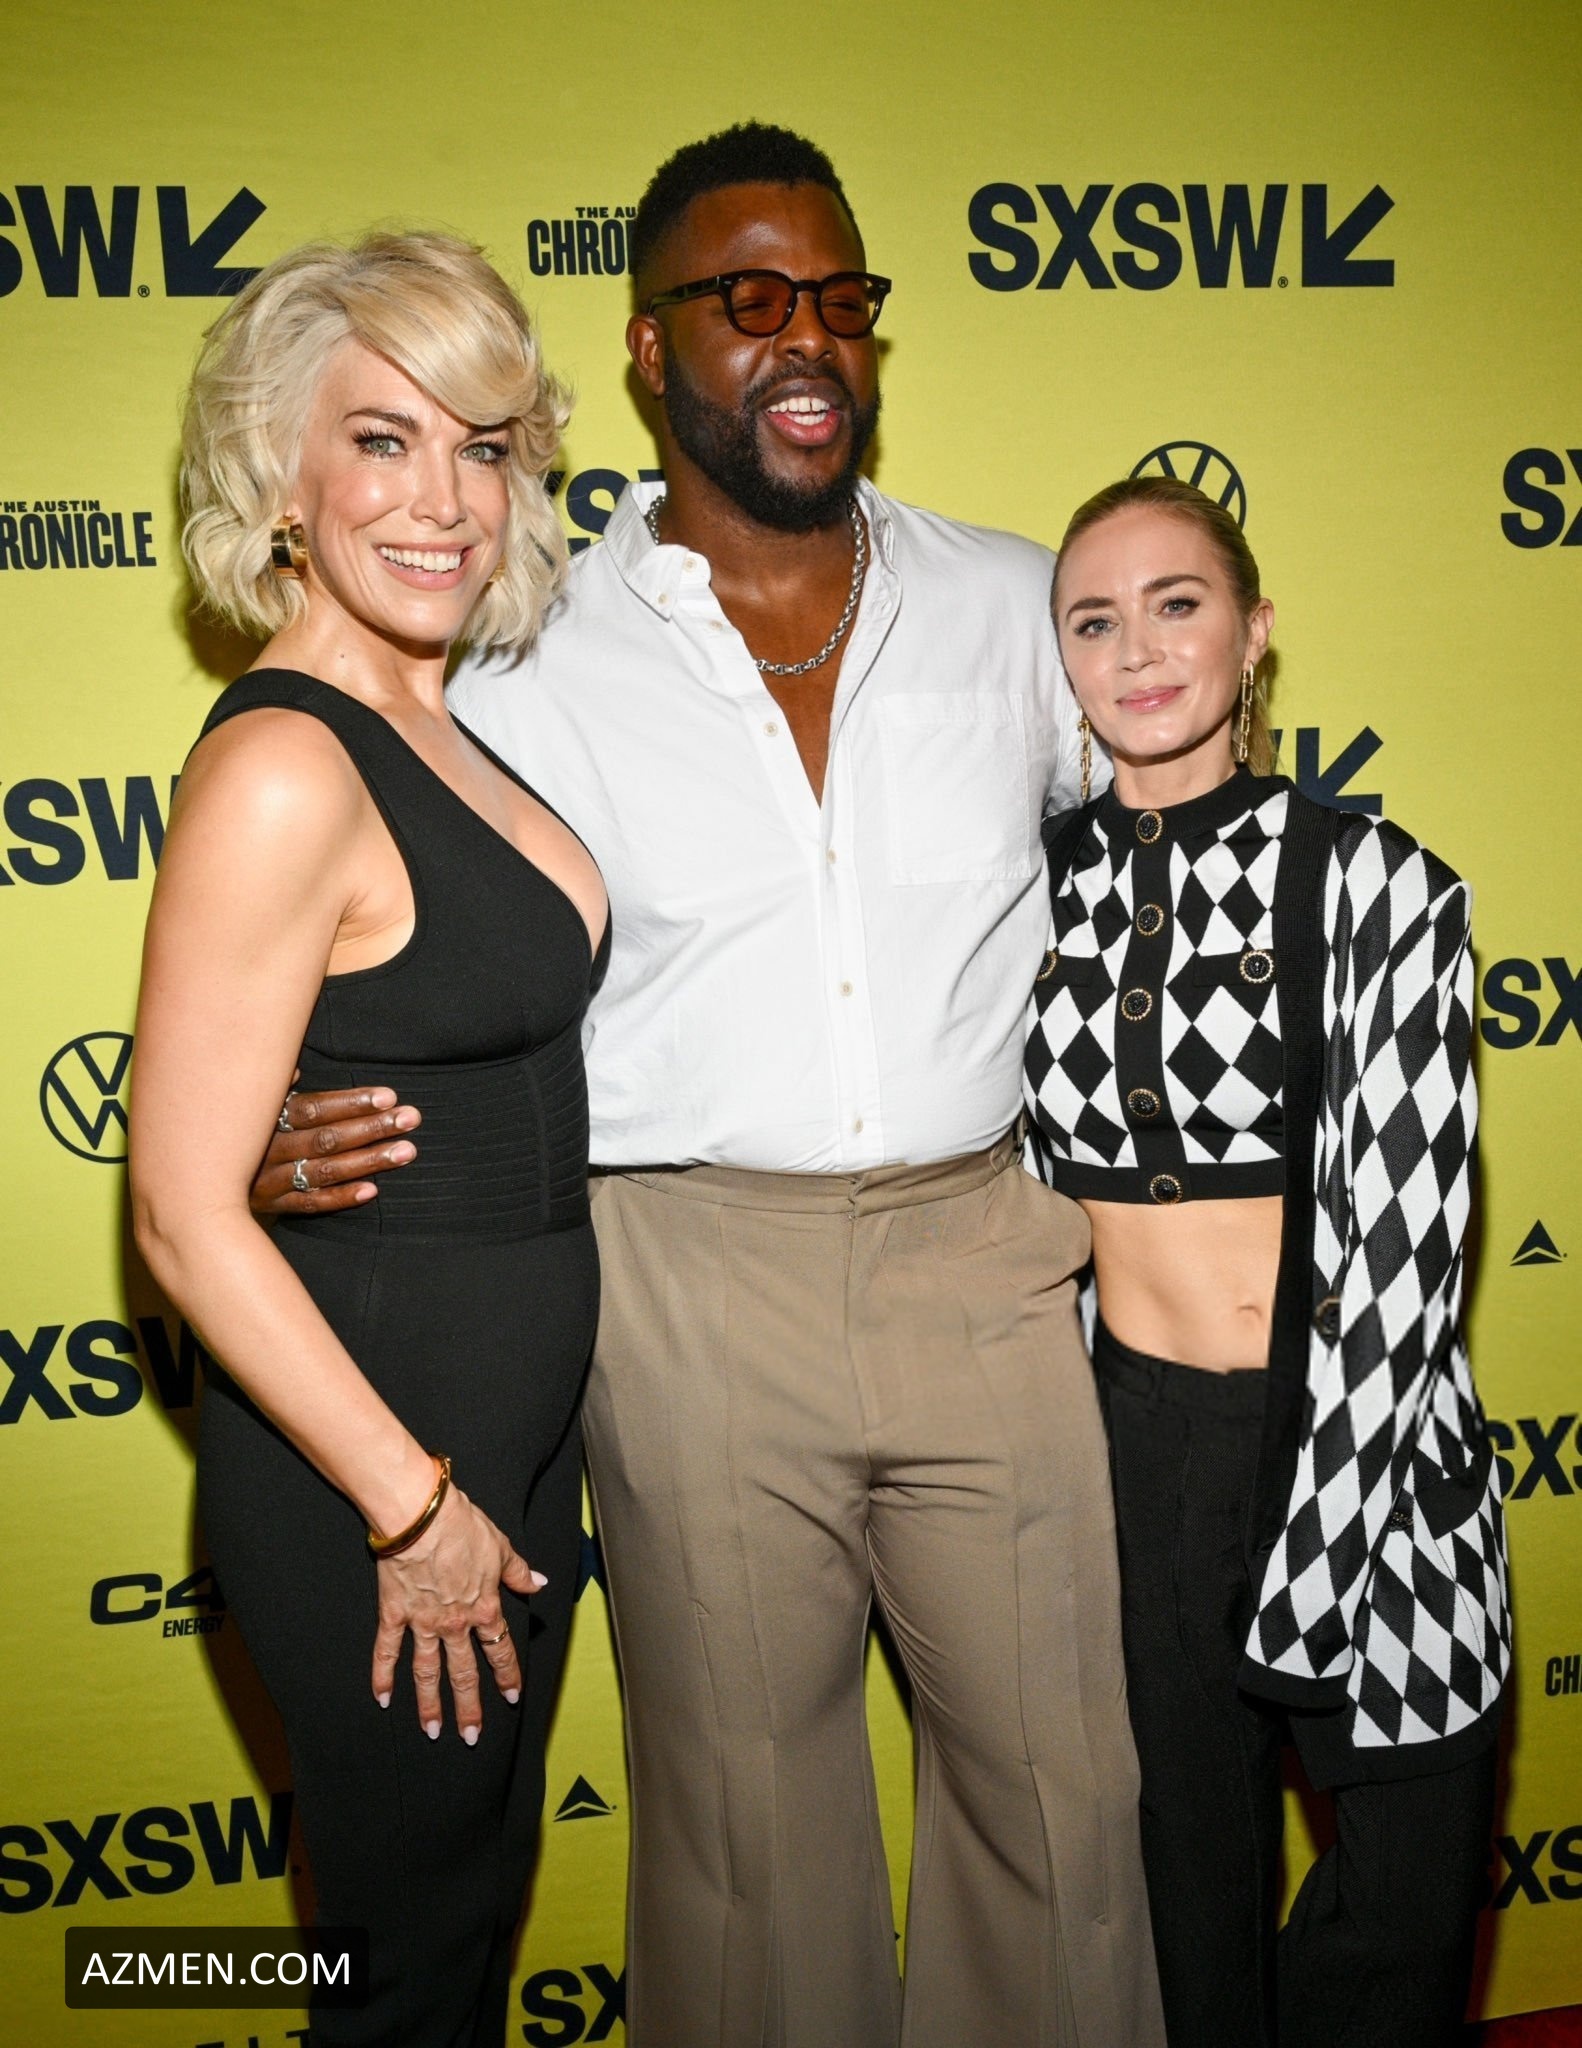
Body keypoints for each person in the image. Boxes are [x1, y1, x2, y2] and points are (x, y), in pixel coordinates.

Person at [249, 127, 1163, 2048]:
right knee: (747, 1842)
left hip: (984, 1261)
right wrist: (253, 1126)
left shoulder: (1019, 609)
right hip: (679, 1283)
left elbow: (1189, 829)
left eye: (838, 297)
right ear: (653, 349)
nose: (803, 335)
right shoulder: (510, 648)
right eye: (748, 298)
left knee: (1065, 1808)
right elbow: (362, 902)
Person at [130, 230, 608, 2048]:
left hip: (501, 1459)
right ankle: (129, 1985)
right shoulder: (280, 763)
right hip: (380, 1480)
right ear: (281, 474)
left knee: (447, 1946)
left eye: (479, 448)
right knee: (397, 1978)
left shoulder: (436, 717)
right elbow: (182, 1217)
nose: (443, 499)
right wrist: (409, 1510)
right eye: (381, 441)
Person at [1024, 474, 1511, 2047]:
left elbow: (1406, 1247)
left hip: (1370, 1451)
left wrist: (1313, 1563)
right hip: (1132, 1463)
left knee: (1404, 1905)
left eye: (1177, 606)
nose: (1137, 651)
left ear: (1252, 634)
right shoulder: (1017, 893)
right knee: (1187, 1902)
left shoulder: (1378, 881)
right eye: (1093, 621)